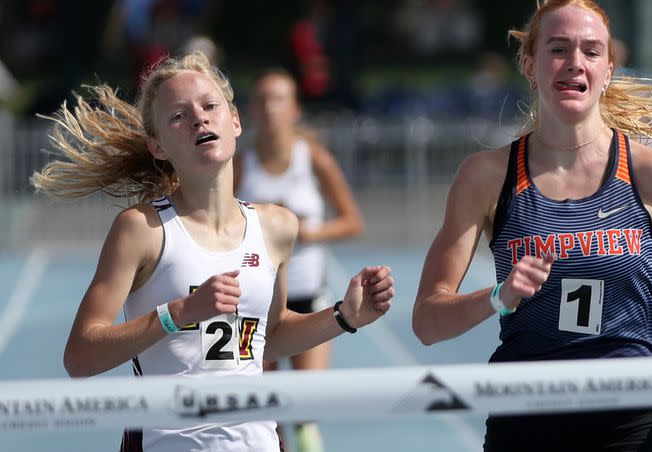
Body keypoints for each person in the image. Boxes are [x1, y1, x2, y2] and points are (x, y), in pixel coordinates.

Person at [411, 1, 652, 451]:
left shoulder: (651, 173)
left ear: (609, 69)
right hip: (524, 420)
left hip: (626, 423)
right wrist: (501, 296)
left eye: (591, 51)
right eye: (559, 49)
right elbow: (427, 322)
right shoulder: (486, 177)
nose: (575, 62)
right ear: (529, 63)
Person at [30, 51, 394, 452]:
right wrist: (179, 314)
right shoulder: (142, 229)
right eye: (178, 116)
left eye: (209, 106)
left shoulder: (276, 227)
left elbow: (268, 339)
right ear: (158, 146)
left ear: (235, 121)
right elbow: (79, 357)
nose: (199, 119)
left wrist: (345, 316)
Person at [234, 69, 364, 452]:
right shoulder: (241, 165)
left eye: (278, 99)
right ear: (252, 111)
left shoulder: (314, 159)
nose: (270, 108)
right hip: (254, 303)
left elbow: (352, 221)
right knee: (262, 414)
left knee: (305, 409)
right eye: (262, 100)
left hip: (308, 297)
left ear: (294, 109)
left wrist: (308, 234)